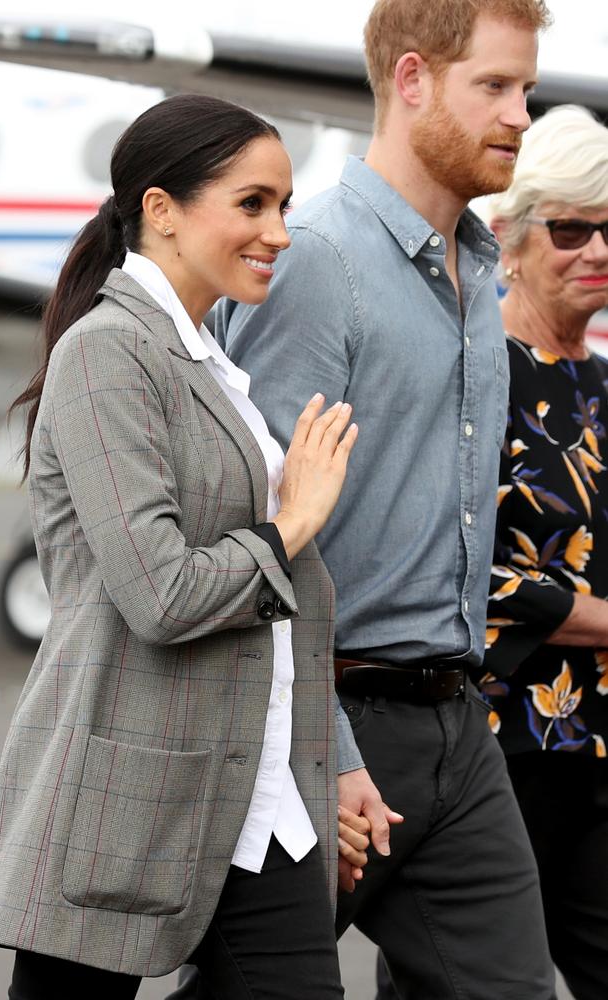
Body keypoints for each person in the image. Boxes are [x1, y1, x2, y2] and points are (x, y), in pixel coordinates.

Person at [0, 93, 377, 1000]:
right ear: (161, 211)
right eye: (253, 203)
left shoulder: (211, 364)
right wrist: (291, 523)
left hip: (257, 801)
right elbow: (163, 593)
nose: (280, 231)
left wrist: (323, 766)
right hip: (126, 796)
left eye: (285, 206)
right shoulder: (107, 351)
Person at [214, 1, 560, 997]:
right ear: (411, 82)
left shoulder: (478, 270)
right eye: (492, 86)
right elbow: (262, 532)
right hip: (330, 720)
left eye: (524, 88)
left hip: (457, 720)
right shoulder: (316, 261)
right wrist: (331, 748)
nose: (519, 113)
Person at [472, 105, 608, 1000]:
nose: (596, 249)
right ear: (508, 239)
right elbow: (445, 554)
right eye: (570, 227)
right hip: (507, 742)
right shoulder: (479, 371)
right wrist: (593, 620)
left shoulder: (599, 382)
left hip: (598, 744)